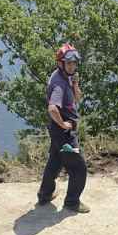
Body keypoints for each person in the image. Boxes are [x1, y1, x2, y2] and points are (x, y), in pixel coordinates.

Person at [37, 43, 89, 213]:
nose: (73, 66)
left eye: (74, 63)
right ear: (60, 63)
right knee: (78, 168)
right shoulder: (59, 83)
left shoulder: (65, 76)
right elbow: (52, 108)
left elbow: (77, 98)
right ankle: (72, 202)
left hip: (57, 132)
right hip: (65, 133)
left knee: (55, 161)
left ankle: (45, 195)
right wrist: (63, 124)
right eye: (69, 63)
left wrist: (75, 84)